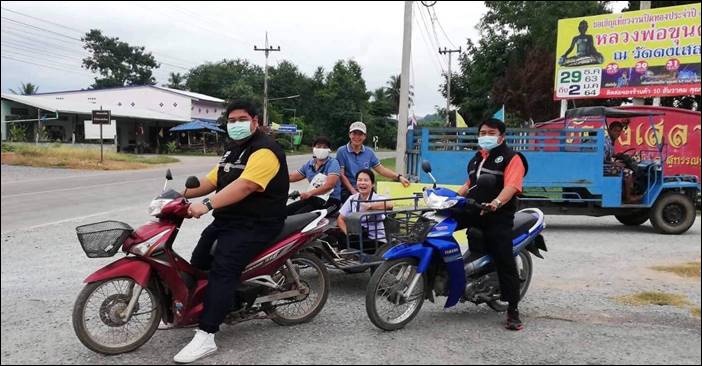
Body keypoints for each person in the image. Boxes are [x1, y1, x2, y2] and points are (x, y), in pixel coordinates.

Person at [174, 98, 289, 363]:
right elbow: (211, 180)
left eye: (241, 119)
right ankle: (213, 306)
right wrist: (176, 196)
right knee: (199, 261)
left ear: (255, 121)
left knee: (223, 268)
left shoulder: (265, 150)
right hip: (229, 220)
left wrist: (206, 204)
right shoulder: (232, 149)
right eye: (232, 120)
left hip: (256, 223)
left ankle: (206, 334)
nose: (236, 124)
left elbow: (246, 185)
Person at [454, 118, 527, 331]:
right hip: (475, 210)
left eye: (491, 132)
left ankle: (513, 310)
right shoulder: (476, 159)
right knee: (441, 223)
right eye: (483, 132)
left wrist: (496, 203)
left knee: (504, 259)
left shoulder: (512, 158)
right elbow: (469, 185)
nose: (486, 136)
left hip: (498, 215)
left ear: (501, 136)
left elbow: (512, 186)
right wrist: (447, 198)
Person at [335, 121, 410, 203]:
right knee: (360, 209)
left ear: (364, 136)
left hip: (366, 189)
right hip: (348, 190)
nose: (356, 137)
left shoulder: (369, 152)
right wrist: (353, 191)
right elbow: (341, 175)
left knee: (386, 206)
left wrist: (399, 177)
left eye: (360, 134)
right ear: (350, 135)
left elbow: (381, 170)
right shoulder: (342, 151)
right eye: (354, 133)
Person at [337, 169, 393, 250]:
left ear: (373, 184)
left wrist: (371, 206)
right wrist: (348, 234)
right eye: (359, 180)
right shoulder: (353, 198)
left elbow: (390, 204)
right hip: (358, 236)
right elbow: (340, 219)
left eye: (366, 180)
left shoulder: (377, 198)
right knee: (341, 237)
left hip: (375, 240)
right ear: (356, 183)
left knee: (354, 242)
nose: (362, 183)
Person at [287, 136, 342, 216]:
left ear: (329, 150)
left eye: (324, 147)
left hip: (330, 200)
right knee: (285, 212)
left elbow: (329, 185)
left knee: (299, 216)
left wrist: (309, 193)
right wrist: (275, 178)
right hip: (313, 198)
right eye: (318, 147)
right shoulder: (309, 164)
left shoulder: (333, 163)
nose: (321, 149)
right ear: (313, 148)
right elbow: (292, 177)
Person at [605, 121, 642, 203]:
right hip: (603, 169)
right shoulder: (605, 143)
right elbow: (601, 160)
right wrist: (614, 163)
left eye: (619, 131)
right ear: (609, 130)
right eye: (615, 130)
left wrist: (619, 155)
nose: (617, 133)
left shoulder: (611, 142)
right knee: (628, 172)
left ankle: (626, 191)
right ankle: (628, 197)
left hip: (606, 166)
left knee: (623, 165)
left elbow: (610, 155)